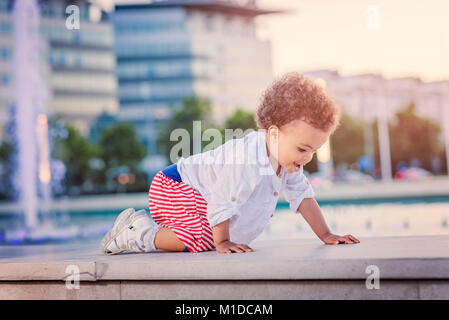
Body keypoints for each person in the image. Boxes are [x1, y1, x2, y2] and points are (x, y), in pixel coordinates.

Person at [100, 72, 360, 255]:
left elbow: (302, 196)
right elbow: (222, 198)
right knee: (201, 239)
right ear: (272, 134)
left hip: (199, 193)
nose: (307, 158)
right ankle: (138, 233)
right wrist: (222, 241)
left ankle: (165, 232)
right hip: (173, 186)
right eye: (302, 149)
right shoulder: (246, 160)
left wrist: (326, 235)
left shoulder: (287, 160)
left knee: (205, 235)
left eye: (313, 151)